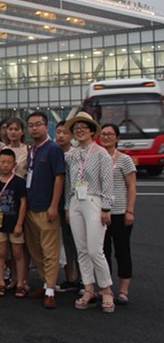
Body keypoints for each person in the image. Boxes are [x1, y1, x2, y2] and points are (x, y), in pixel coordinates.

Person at [64, 112, 115, 313]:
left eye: (83, 128)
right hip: (75, 200)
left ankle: (106, 289)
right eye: (76, 128)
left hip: (94, 200)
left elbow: (107, 182)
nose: (80, 131)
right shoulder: (71, 155)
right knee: (82, 249)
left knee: (95, 250)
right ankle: (88, 288)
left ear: (92, 131)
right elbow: (68, 182)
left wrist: (106, 208)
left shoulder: (101, 153)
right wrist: (67, 206)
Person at [24, 111, 66, 309]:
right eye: (31, 125)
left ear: (46, 126)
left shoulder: (53, 149)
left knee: (50, 251)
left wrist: (54, 206)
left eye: (38, 124)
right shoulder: (32, 149)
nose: (34, 128)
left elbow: (59, 177)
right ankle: (45, 283)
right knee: (35, 250)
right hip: (30, 207)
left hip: (47, 208)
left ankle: (50, 290)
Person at [99, 123, 137, 305]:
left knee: (122, 251)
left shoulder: (124, 160)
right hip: (100, 213)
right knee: (102, 252)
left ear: (117, 138)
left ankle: (123, 290)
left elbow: (132, 186)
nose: (106, 137)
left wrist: (130, 210)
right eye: (103, 134)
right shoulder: (97, 158)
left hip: (120, 212)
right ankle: (105, 287)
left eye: (110, 134)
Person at [0, 149, 27, 297]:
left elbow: (23, 203)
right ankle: (1, 282)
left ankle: (20, 283)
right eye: (3, 162)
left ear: (14, 164)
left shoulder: (19, 182)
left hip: (14, 222)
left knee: (18, 253)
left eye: (9, 162)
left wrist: (19, 224)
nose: (5, 165)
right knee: (1, 253)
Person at [54, 120, 80, 292]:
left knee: (78, 242)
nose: (61, 136)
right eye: (58, 132)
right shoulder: (53, 152)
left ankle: (83, 279)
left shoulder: (76, 155)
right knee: (64, 242)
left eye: (65, 132)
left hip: (75, 204)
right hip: (57, 204)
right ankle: (70, 277)